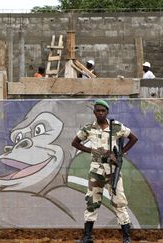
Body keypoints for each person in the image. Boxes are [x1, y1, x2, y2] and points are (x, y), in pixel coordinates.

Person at [71, 99, 138, 243]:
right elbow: (74, 142)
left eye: (103, 111)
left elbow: (133, 138)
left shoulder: (116, 126)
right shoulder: (88, 128)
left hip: (113, 170)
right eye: (98, 111)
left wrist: (121, 154)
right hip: (96, 170)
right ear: (94, 112)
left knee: (119, 202)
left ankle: (126, 237)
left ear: (107, 112)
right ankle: (87, 237)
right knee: (92, 201)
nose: (100, 113)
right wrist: (90, 150)